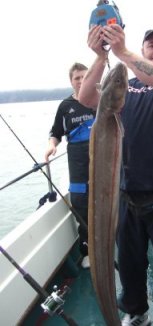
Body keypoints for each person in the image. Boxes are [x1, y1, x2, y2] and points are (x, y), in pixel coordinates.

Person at [78, 25, 153, 326]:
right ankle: (137, 312)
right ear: (143, 49)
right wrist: (101, 57)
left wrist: (123, 53)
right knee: (130, 267)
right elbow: (86, 97)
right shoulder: (125, 89)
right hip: (127, 195)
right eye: (151, 45)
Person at [45, 62, 96, 269]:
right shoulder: (65, 106)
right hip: (77, 163)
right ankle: (88, 250)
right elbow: (55, 132)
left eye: (86, 76)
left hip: (101, 158)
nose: (82, 81)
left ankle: (113, 241)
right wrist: (51, 146)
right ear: (71, 81)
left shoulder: (98, 100)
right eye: (78, 78)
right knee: (80, 203)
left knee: (106, 200)